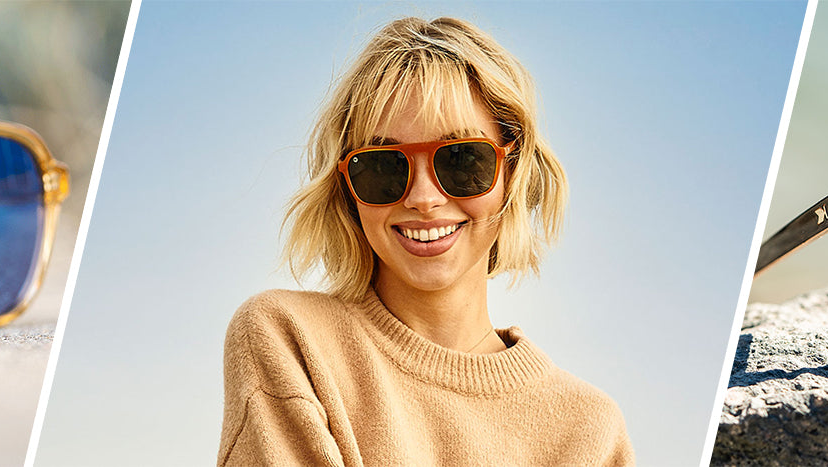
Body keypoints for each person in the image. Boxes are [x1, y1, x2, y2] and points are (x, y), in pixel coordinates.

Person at [218, 16, 634, 466]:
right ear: (347, 188)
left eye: (460, 159)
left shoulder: (590, 429)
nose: (422, 198)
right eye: (383, 166)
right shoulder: (290, 339)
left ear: (513, 172)